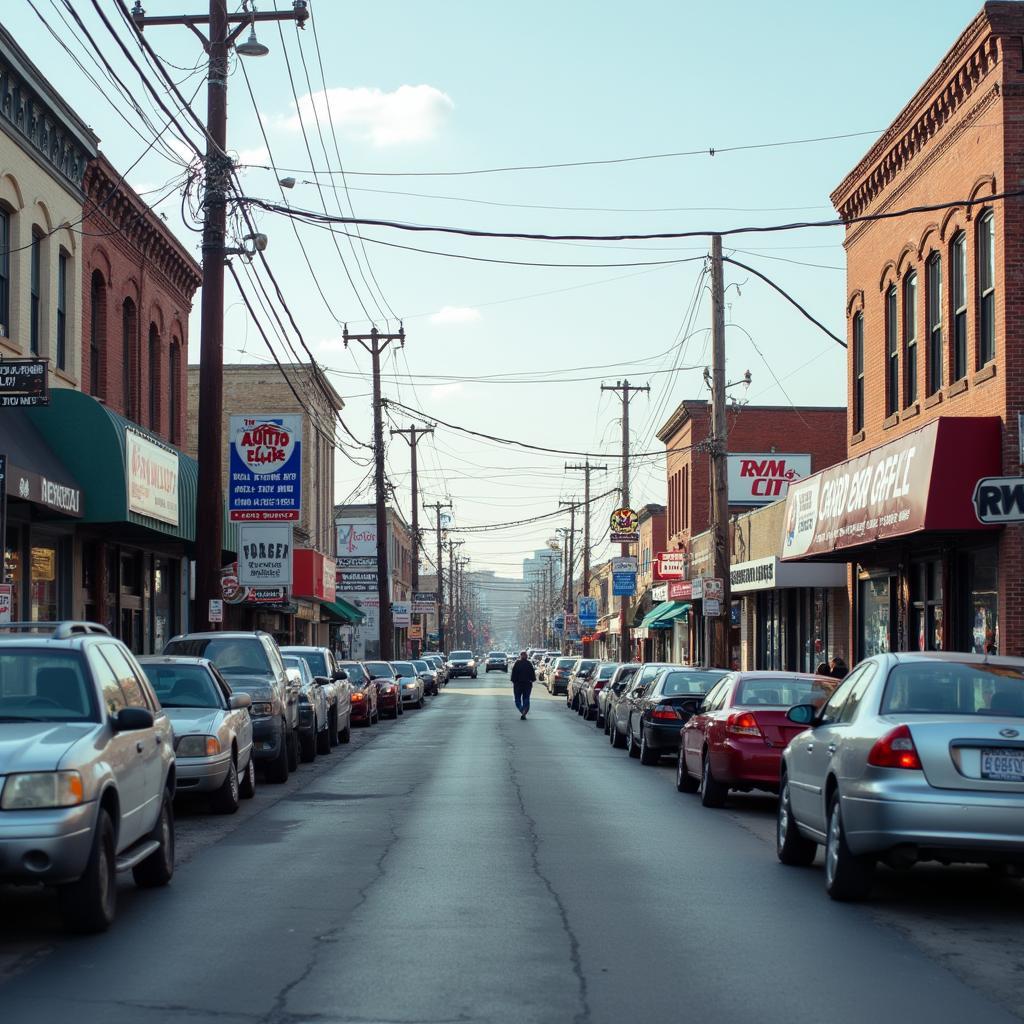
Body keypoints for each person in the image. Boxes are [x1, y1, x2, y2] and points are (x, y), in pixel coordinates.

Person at [510, 651, 536, 720]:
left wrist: (514, 682)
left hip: (518, 684)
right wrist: (531, 680)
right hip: (527, 684)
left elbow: (513, 675)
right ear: (526, 656)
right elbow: (533, 676)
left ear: (520, 656)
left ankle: (522, 710)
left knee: (517, 699)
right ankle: (524, 710)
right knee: (526, 698)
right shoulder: (529, 664)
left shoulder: (517, 664)